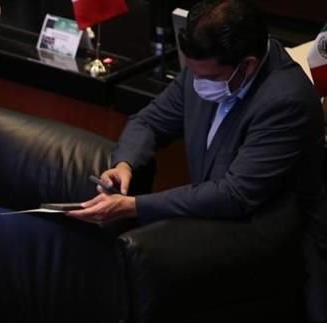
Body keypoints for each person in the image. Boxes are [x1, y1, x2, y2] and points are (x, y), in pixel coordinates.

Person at [69, 0, 323, 228]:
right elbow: (149, 121)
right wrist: (125, 163)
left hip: (272, 242)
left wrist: (133, 206)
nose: (198, 82)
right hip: (213, 227)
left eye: (209, 77)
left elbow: (234, 195)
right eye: (194, 72)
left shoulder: (286, 101)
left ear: (248, 65)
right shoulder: (206, 66)